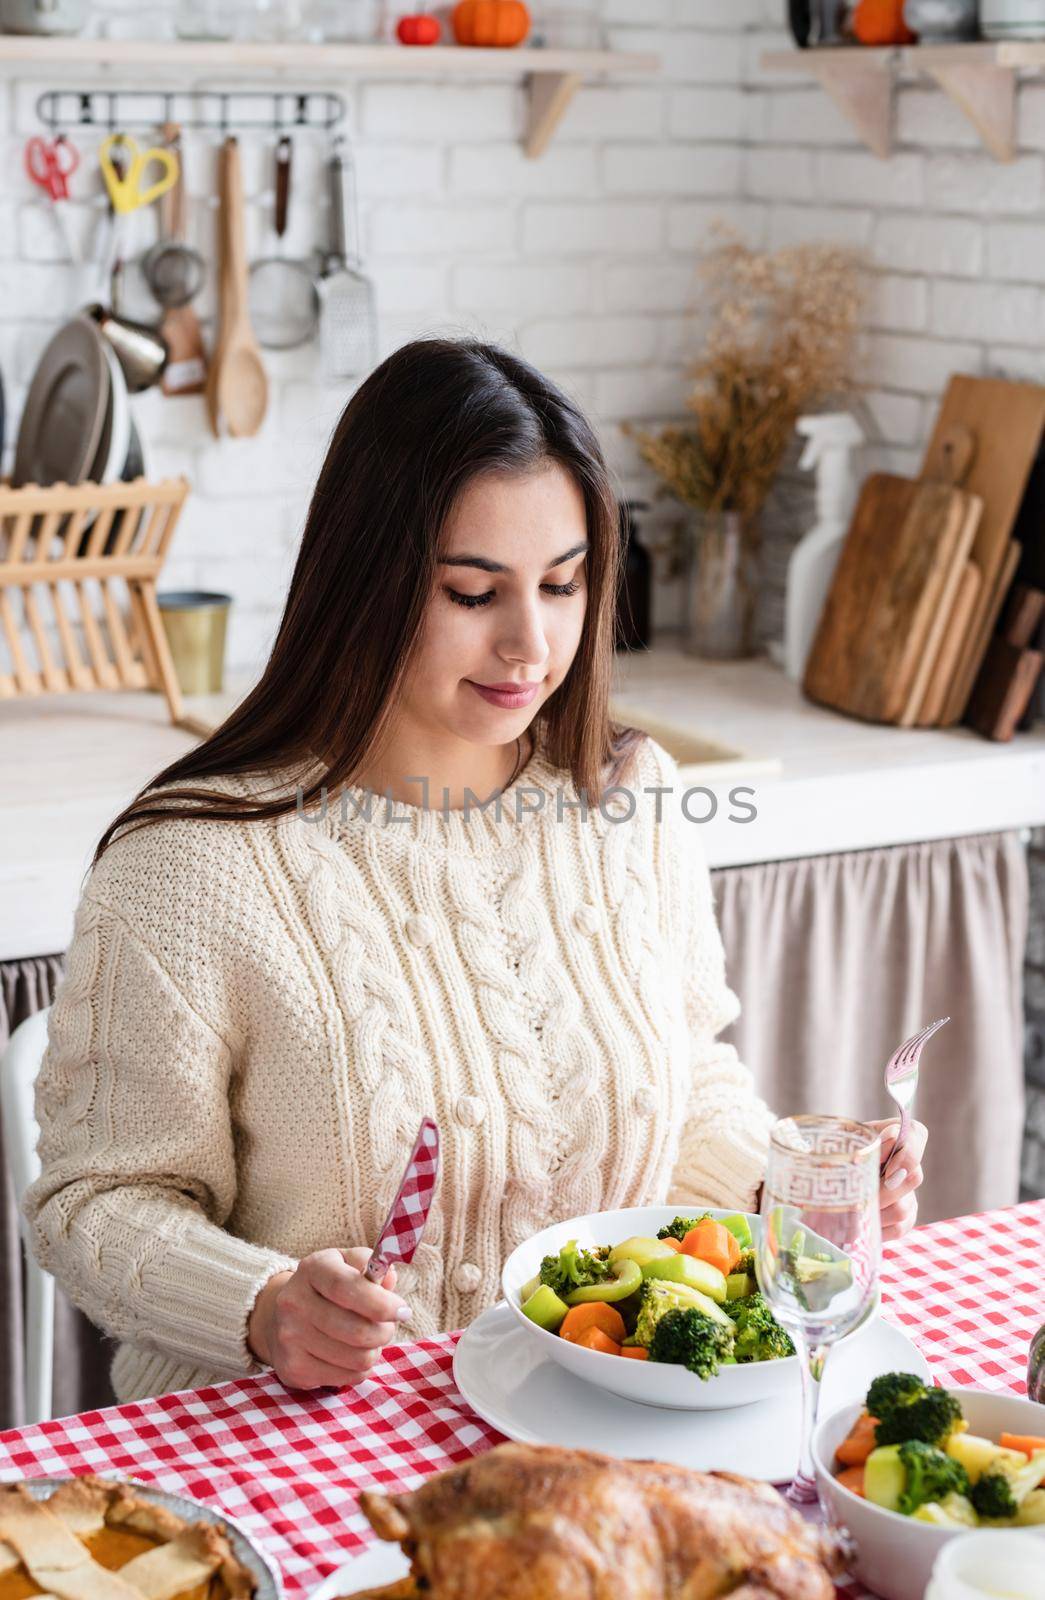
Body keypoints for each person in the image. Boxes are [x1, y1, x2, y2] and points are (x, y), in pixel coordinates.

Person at [23, 337, 926, 1404]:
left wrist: (778, 1189)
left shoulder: (627, 800)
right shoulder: (191, 866)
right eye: (470, 591)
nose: (529, 645)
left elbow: (685, 1079)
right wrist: (262, 1306)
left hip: (594, 1421)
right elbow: (94, 1201)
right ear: (367, 578)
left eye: (563, 583)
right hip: (289, 1440)